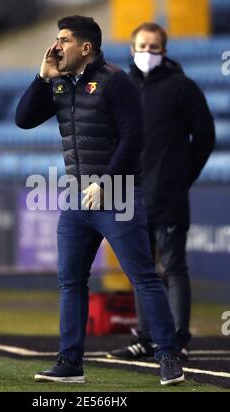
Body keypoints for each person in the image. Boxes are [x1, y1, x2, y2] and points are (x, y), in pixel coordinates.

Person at [15, 15, 184, 385]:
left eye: (63, 40)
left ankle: (168, 356)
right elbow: (23, 119)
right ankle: (70, 362)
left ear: (85, 47)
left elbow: (133, 138)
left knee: (142, 277)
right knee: (70, 282)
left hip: (118, 193)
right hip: (77, 197)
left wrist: (106, 183)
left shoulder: (115, 82)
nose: (57, 46)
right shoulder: (59, 84)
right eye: (57, 39)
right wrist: (42, 78)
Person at [107, 22, 215, 361]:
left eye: (154, 47)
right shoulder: (120, 87)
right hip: (133, 195)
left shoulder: (183, 88)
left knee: (172, 266)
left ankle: (178, 338)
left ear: (164, 51)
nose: (147, 53)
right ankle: (148, 336)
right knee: (142, 269)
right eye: (142, 46)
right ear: (131, 48)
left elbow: (205, 137)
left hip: (168, 196)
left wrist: (182, 176)